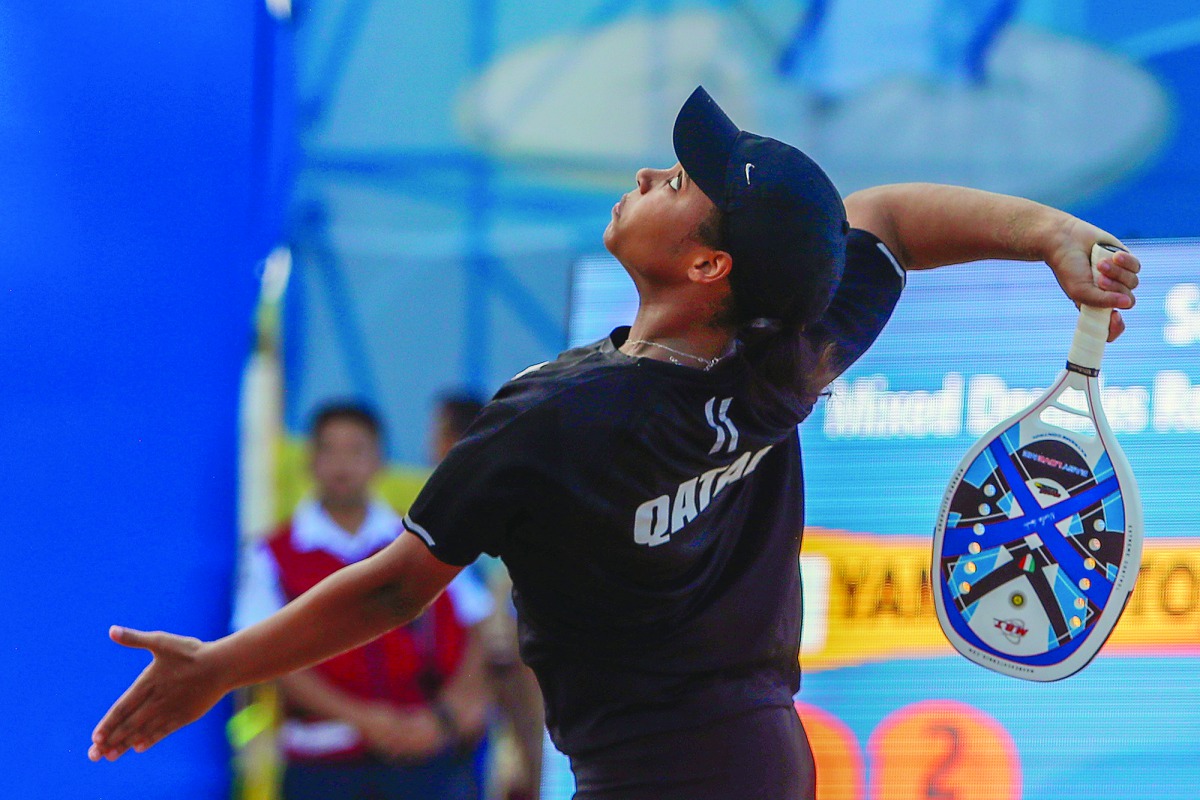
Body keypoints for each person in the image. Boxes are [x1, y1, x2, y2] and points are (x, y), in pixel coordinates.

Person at [89, 87, 1140, 799]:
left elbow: (394, 588)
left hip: (658, 776)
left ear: (708, 267)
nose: (649, 171)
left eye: (679, 185)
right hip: (765, 757)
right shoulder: (783, 352)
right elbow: (890, 222)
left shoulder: (555, 417)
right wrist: (1049, 231)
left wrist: (221, 666)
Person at [233, 402, 494, 800]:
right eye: (329, 450)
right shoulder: (271, 555)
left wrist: (446, 715)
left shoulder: (422, 540)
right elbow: (264, 656)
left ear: (379, 461)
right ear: (310, 461)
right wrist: (364, 720)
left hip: (428, 754)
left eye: (356, 450)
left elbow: (479, 625)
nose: (342, 465)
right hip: (321, 764)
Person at [430, 390, 546, 800]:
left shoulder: (495, 515)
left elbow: (505, 656)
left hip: (498, 704)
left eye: (437, 435)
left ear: (451, 441)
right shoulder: (437, 516)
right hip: (459, 712)